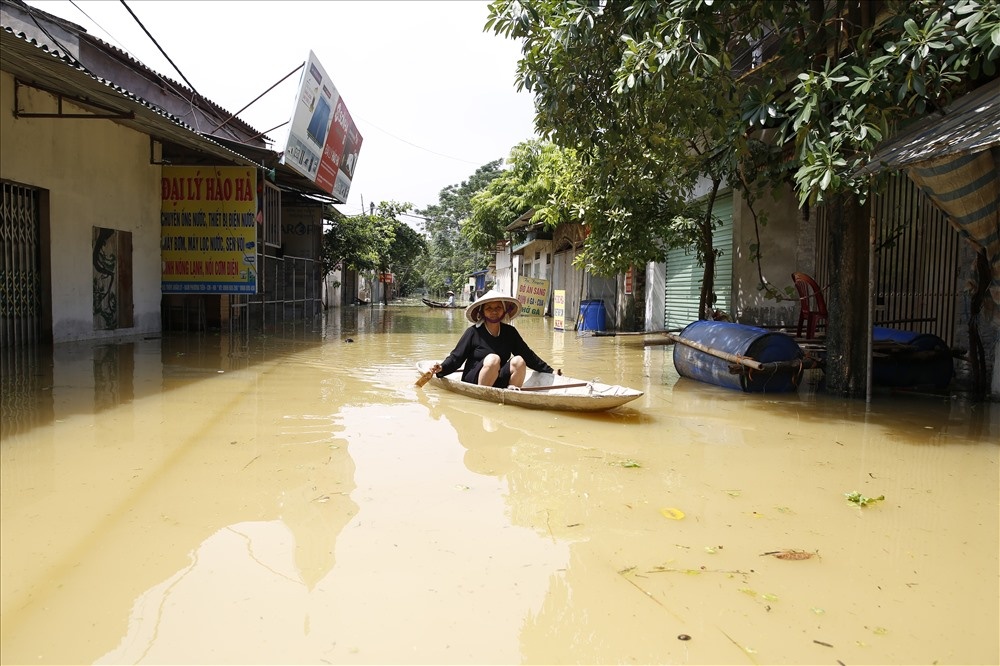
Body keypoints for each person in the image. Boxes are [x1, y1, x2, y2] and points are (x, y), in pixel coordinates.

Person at [429, 290, 559, 389]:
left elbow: (527, 355)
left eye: (498, 308)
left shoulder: (510, 332)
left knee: (519, 360)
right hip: (474, 379)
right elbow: (456, 358)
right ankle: (483, 395)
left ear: (504, 310)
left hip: (498, 378)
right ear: (482, 312)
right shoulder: (473, 332)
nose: (494, 312)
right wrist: (442, 368)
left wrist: (550, 371)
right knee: (493, 358)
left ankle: (511, 393)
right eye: (489, 308)